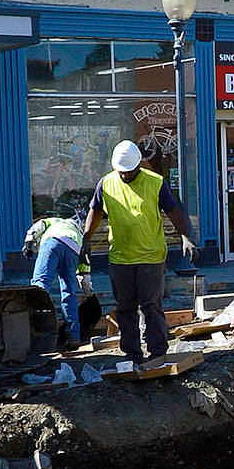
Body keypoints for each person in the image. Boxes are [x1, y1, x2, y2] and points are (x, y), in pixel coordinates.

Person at [82, 141, 195, 366]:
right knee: (125, 308)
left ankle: (157, 352)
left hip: (150, 257)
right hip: (120, 257)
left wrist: (186, 236)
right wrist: (86, 238)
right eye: (121, 172)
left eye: (130, 171)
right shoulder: (106, 183)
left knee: (151, 306)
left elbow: (174, 210)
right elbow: (95, 210)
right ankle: (132, 354)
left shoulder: (155, 182)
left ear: (138, 166)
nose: (125, 176)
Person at [24, 208, 86, 350]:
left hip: (52, 243)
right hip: (74, 250)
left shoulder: (56, 221)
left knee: (40, 284)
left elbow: (39, 225)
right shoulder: (80, 237)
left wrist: (28, 242)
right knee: (69, 291)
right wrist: (88, 292)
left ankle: (37, 332)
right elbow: (85, 271)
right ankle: (73, 336)